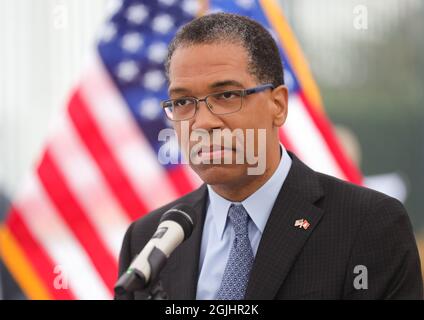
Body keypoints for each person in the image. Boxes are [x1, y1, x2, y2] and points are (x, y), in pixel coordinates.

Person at [116, 13, 423, 300]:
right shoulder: (146, 241)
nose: (203, 122)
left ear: (278, 105)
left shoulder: (368, 225)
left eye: (226, 95)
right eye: (182, 101)